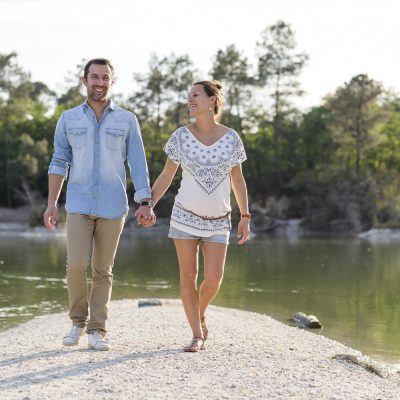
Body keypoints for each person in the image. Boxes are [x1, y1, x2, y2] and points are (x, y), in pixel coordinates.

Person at [43, 58, 155, 351]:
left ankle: (97, 330)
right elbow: (58, 161)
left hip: (113, 205)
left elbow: (138, 163)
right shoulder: (68, 119)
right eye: (95, 77)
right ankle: (77, 322)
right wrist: (52, 203)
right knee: (76, 264)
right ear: (84, 81)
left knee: (103, 269)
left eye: (105, 77)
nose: (100, 82)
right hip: (78, 203)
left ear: (112, 82)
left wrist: (145, 201)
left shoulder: (127, 120)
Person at [149, 80, 250, 352]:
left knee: (214, 278)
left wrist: (245, 216)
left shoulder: (231, 138)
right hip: (184, 217)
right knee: (188, 276)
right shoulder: (180, 136)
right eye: (188, 96)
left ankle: (200, 312)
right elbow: (167, 175)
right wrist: (149, 203)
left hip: (219, 219)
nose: (190, 100)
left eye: (195, 95)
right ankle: (196, 334)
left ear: (211, 100)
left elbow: (238, 180)